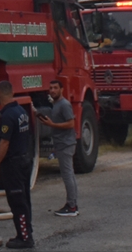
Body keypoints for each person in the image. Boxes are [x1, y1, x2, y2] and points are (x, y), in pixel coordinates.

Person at [0, 81, 33, 249]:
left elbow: (4, 143)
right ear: (13, 92)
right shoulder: (21, 111)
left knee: (17, 202)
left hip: (13, 164)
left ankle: (25, 238)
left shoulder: (7, 116)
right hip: (24, 160)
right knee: (24, 199)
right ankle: (26, 232)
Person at [36, 79, 78, 217]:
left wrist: (52, 125)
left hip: (66, 144)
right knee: (69, 174)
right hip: (61, 144)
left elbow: (71, 124)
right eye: (51, 88)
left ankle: (72, 207)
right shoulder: (56, 104)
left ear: (62, 89)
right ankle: (72, 204)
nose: (52, 90)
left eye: (55, 88)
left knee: (67, 175)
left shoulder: (64, 104)